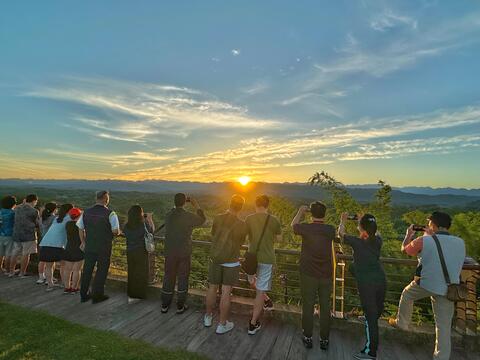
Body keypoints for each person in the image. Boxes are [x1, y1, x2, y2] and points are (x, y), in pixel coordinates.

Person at [389, 211, 465, 360]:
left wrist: (408, 235)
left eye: (429, 223)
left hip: (427, 283)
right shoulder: (460, 242)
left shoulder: (425, 240)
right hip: (450, 288)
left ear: (434, 225)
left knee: (407, 294)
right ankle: (441, 357)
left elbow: (405, 250)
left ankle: (402, 323)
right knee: (443, 327)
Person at [338, 213, 386, 360]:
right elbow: (375, 232)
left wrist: (343, 221)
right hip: (381, 280)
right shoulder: (378, 240)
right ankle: (371, 337)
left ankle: (370, 352)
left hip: (367, 284)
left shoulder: (357, 242)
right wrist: (363, 222)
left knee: (371, 318)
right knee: (374, 314)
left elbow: (340, 234)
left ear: (362, 229)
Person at [291, 201, 336, 350]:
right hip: (326, 275)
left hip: (308, 273)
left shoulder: (306, 228)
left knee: (308, 306)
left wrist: (300, 211)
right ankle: (324, 339)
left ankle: (308, 337)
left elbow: (293, 225)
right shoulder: (330, 229)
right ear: (324, 214)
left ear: (311, 214)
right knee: (325, 307)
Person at [204, 195, 247, 334]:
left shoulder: (218, 218)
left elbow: (214, 234)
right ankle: (222, 325)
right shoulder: (242, 224)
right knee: (226, 292)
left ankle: (208, 317)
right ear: (241, 208)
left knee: (212, 288)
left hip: (216, 259)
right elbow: (241, 242)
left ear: (230, 203)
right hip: (231, 261)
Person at [161, 193, 206, 314]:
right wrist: (195, 204)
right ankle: (180, 306)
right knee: (183, 278)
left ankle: (165, 305)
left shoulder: (168, 215)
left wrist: (178, 204)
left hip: (170, 251)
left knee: (168, 277)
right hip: (184, 252)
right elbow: (202, 220)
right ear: (184, 202)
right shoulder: (188, 216)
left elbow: (173, 211)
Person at [245, 195, 282, 335]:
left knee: (251, 281)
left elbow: (246, 236)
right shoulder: (274, 220)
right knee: (260, 291)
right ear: (267, 205)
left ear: (255, 204)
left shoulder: (249, 218)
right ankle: (253, 324)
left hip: (251, 258)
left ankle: (255, 319)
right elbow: (279, 239)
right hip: (266, 259)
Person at [78, 191, 120, 304]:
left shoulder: (86, 212)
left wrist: (83, 242)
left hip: (90, 245)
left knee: (87, 270)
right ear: (106, 199)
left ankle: (83, 295)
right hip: (104, 247)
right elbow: (115, 231)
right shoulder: (111, 214)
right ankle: (97, 295)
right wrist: (116, 233)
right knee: (101, 271)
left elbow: (80, 228)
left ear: (96, 198)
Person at [123, 205, 155, 304]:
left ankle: (131, 293)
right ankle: (139, 294)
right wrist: (149, 219)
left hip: (130, 251)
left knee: (132, 272)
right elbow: (152, 231)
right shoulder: (143, 225)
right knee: (141, 272)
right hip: (141, 251)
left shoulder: (126, 226)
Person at [39, 203, 73, 291]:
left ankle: (50, 285)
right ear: (69, 210)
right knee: (63, 265)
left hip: (46, 242)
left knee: (49, 266)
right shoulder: (69, 218)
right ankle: (65, 284)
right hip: (58, 244)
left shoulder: (57, 218)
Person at [10, 194, 41, 278]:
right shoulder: (34, 211)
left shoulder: (17, 208)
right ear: (34, 201)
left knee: (15, 253)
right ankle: (22, 273)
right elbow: (38, 224)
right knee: (26, 254)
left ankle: (11, 271)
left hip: (16, 233)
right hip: (28, 235)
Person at [62, 207, 84, 294]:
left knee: (67, 269)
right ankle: (74, 288)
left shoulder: (68, 224)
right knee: (77, 270)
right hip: (78, 248)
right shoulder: (80, 225)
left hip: (69, 247)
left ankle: (67, 288)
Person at [37, 202, 58, 284]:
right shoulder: (54, 218)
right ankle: (50, 278)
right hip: (51, 241)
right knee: (51, 262)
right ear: (54, 209)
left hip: (42, 239)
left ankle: (41, 277)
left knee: (42, 260)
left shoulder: (42, 218)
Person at [0, 196, 16, 275]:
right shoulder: (13, 213)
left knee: (0, 253)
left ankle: (0, 269)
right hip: (10, 234)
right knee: (8, 254)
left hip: (0, 234)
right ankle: (7, 270)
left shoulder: (0, 211)